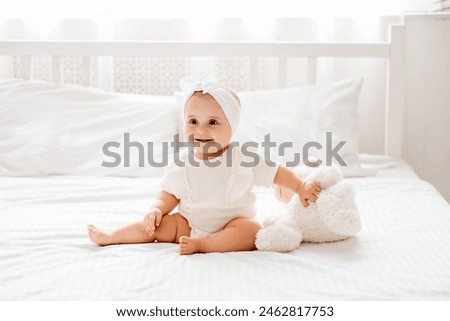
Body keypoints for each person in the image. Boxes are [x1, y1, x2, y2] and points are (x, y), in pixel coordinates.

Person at [87, 75, 321, 255]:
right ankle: (113, 236)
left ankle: (203, 245)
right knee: (156, 226)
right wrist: (156, 209)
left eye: (212, 122)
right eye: (193, 121)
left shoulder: (244, 157)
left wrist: (300, 188)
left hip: (232, 224)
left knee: (251, 231)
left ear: (232, 126)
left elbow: (277, 173)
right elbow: (169, 193)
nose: (201, 130)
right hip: (188, 224)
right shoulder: (184, 162)